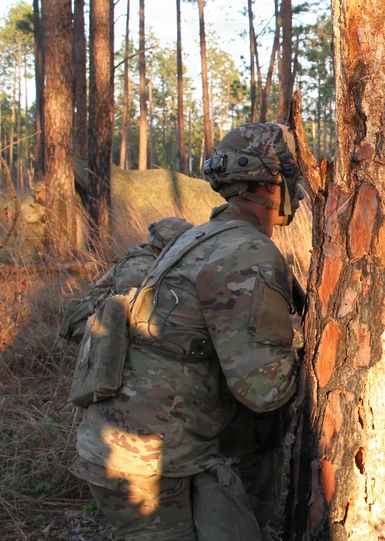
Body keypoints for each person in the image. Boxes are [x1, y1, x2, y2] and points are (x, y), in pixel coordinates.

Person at [71, 122, 305, 541]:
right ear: (273, 182)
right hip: (147, 461)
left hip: (150, 447)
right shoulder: (248, 251)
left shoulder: (200, 236)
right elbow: (262, 390)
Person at [60, 216, 194, 344]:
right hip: (95, 328)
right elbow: (128, 310)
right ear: (171, 245)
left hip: (111, 325)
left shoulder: (156, 260)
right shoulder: (139, 267)